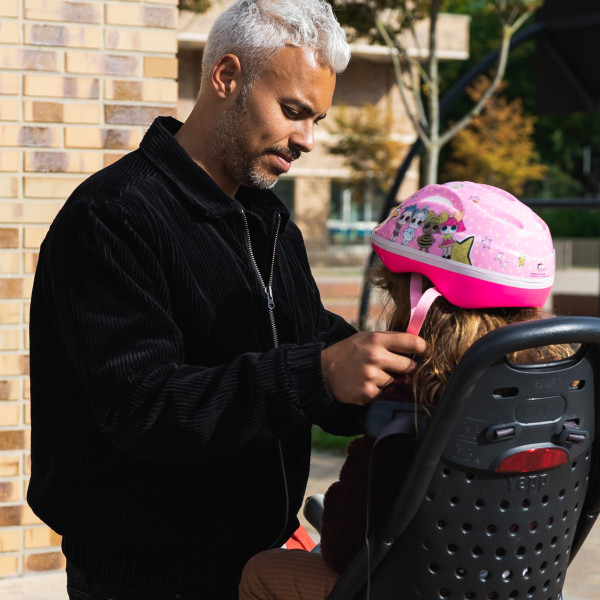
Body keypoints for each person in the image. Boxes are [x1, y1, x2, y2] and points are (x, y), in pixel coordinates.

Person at [27, 2, 427, 599]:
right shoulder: (112, 217)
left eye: (316, 118)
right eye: (293, 112)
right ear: (226, 77)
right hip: (147, 578)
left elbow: (307, 338)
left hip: (253, 560)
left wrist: (402, 379)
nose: (308, 140)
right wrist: (318, 375)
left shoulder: (265, 217)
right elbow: (145, 407)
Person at [238, 181, 574, 600]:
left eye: (393, 290)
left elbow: (345, 542)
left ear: (421, 298)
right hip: (519, 586)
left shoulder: (413, 399)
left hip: (417, 587)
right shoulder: (560, 389)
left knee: (261, 570)